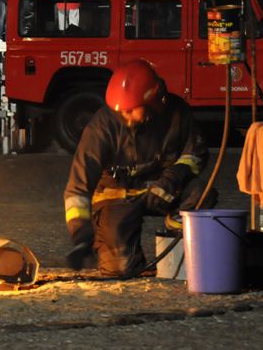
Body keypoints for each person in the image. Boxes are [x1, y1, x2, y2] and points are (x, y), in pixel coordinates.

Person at [64, 60, 214, 277]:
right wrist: (81, 235)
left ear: (154, 101)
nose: (124, 116)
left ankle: (179, 244)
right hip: (117, 197)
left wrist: (172, 179)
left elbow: (195, 154)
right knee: (120, 269)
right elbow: (78, 186)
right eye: (121, 111)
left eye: (130, 110)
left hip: (163, 190)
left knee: (201, 192)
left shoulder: (177, 113)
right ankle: (125, 255)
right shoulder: (102, 126)